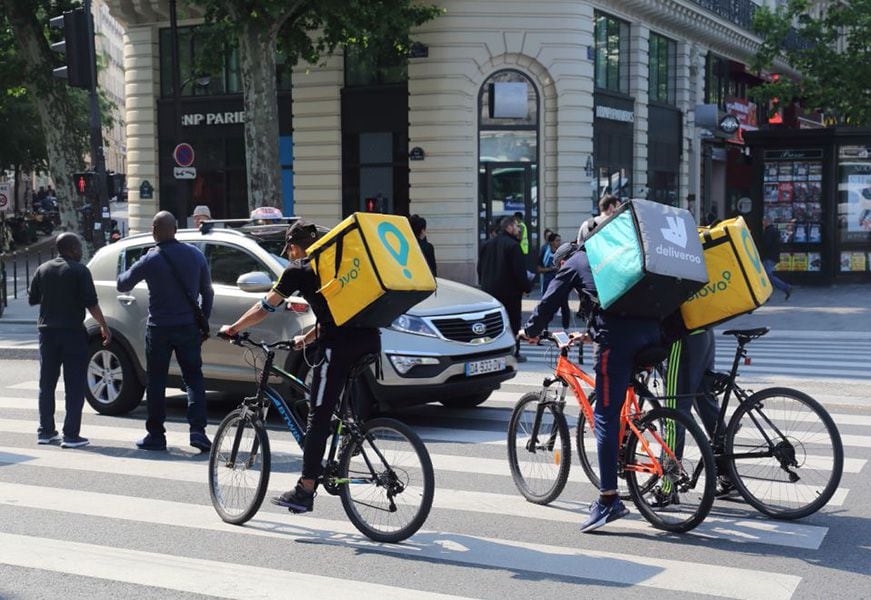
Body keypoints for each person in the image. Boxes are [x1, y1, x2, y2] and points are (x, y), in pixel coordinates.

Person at [219, 220, 381, 513]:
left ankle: (305, 490)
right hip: (370, 340)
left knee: (317, 415)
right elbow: (335, 314)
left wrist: (234, 327)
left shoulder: (299, 270)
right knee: (330, 399)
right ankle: (347, 439)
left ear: (294, 246)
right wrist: (305, 339)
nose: (289, 254)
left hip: (340, 347)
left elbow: (266, 307)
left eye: (289, 249)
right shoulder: (337, 265)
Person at [519, 238, 661, 533]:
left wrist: (531, 330)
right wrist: (590, 334)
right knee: (622, 402)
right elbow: (609, 303)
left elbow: (549, 300)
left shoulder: (573, 263)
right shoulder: (607, 258)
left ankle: (609, 499)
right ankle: (630, 442)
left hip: (619, 340)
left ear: (563, 260)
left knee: (605, 417)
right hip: (652, 333)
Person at [117, 211, 214, 452]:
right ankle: (198, 431)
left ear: (154, 229)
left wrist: (135, 262)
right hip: (188, 327)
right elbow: (208, 292)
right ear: (176, 229)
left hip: (159, 328)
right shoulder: (195, 255)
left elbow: (123, 283)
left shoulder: (151, 259)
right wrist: (204, 321)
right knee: (193, 378)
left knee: (157, 381)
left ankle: (156, 435)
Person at [28, 233, 111, 448]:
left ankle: (45, 431)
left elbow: (32, 299)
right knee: (74, 385)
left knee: (46, 384)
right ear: (72, 248)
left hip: (47, 333)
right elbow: (91, 303)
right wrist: (103, 326)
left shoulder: (43, 269)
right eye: (79, 247)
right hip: (73, 333)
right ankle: (71, 435)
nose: (81, 250)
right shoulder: (80, 270)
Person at [478, 215, 532, 362]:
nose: (518, 229)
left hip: (489, 292)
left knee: (492, 322)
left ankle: (491, 350)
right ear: (508, 227)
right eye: (515, 226)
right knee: (513, 322)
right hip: (510, 293)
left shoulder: (487, 244)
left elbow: (480, 269)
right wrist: (527, 287)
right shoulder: (513, 246)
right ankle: (513, 351)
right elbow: (519, 272)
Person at [539, 233, 571, 329]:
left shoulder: (563, 252)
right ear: (551, 242)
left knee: (565, 307)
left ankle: (566, 329)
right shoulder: (545, 250)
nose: (559, 242)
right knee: (546, 308)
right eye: (557, 240)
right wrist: (551, 269)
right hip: (548, 282)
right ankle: (544, 330)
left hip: (561, 282)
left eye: (559, 240)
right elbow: (539, 269)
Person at [761, 216, 792, 300]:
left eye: (764, 220)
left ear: (767, 221)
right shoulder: (774, 231)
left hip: (769, 257)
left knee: (767, 275)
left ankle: (785, 287)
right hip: (773, 256)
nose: (762, 222)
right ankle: (768, 294)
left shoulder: (769, 232)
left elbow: (766, 245)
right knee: (766, 275)